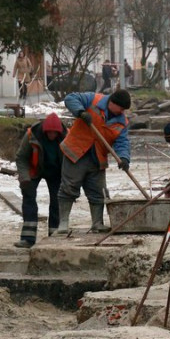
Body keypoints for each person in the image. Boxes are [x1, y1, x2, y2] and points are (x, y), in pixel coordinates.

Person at [57, 89, 132, 234]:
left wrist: (124, 158)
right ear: (112, 102)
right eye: (121, 108)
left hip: (97, 157)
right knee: (69, 187)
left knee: (98, 192)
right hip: (76, 152)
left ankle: (97, 223)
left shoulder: (122, 122)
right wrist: (80, 112)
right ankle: (63, 223)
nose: (122, 111)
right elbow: (70, 97)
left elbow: (122, 142)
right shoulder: (93, 100)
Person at [14, 113, 67, 247]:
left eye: (55, 133)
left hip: (56, 172)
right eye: (49, 133)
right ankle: (28, 238)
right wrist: (24, 178)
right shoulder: (32, 135)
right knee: (29, 198)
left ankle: (54, 236)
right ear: (45, 130)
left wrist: (69, 182)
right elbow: (21, 158)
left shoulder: (67, 136)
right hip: (34, 170)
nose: (52, 135)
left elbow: (72, 160)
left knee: (57, 201)